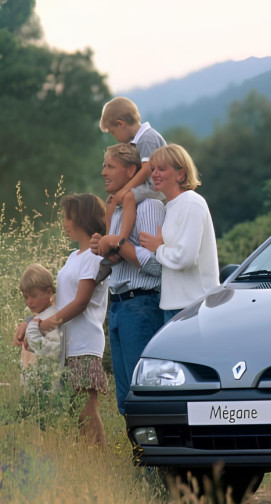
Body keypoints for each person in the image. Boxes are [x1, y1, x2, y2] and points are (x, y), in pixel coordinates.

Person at [90, 143, 165, 416]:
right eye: (104, 166)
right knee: (125, 397)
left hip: (141, 305)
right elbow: (117, 258)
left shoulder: (149, 206)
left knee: (143, 392)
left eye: (110, 166)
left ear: (132, 170)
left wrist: (118, 243)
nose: (103, 172)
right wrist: (102, 247)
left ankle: (155, 444)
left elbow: (157, 266)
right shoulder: (117, 209)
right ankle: (135, 444)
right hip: (119, 306)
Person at [40, 193, 110, 446]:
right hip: (69, 344)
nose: (64, 223)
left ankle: (99, 458)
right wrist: (34, 322)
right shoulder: (73, 257)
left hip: (85, 343)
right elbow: (63, 299)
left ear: (81, 218)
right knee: (75, 408)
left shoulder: (93, 256)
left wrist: (51, 322)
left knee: (85, 409)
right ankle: (88, 458)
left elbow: (80, 302)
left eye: (67, 217)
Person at [139, 144, 219, 321]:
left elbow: (186, 257)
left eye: (161, 169)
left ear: (180, 174)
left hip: (194, 305)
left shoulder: (192, 202)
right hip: (173, 306)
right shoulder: (170, 207)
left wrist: (158, 248)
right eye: (153, 169)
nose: (154, 174)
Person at [98, 97, 166, 260]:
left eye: (113, 132)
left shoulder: (147, 138)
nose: (115, 137)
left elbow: (146, 169)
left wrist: (125, 190)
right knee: (112, 200)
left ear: (121, 124)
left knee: (127, 197)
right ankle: (109, 237)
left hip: (156, 187)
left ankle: (121, 240)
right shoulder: (139, 140)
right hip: (148, 185)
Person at [14, 264, 65, 385]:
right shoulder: (37, 318)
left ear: (48, 292)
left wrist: (33, 335)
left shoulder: (53, 317)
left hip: (47, 386)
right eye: (25, 297)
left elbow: (55, 351)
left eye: (33, 296)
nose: (29, 302)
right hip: (33, 385)